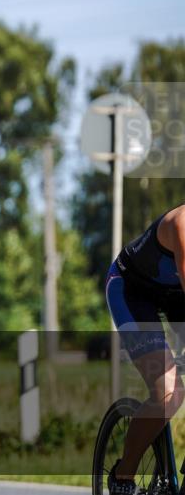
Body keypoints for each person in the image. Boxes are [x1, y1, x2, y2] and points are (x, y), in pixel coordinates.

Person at [105, 204, 185, 495]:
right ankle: (123, 477)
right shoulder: (182, 225)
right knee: (169, 393)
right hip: (132, 292)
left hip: (176, 298)